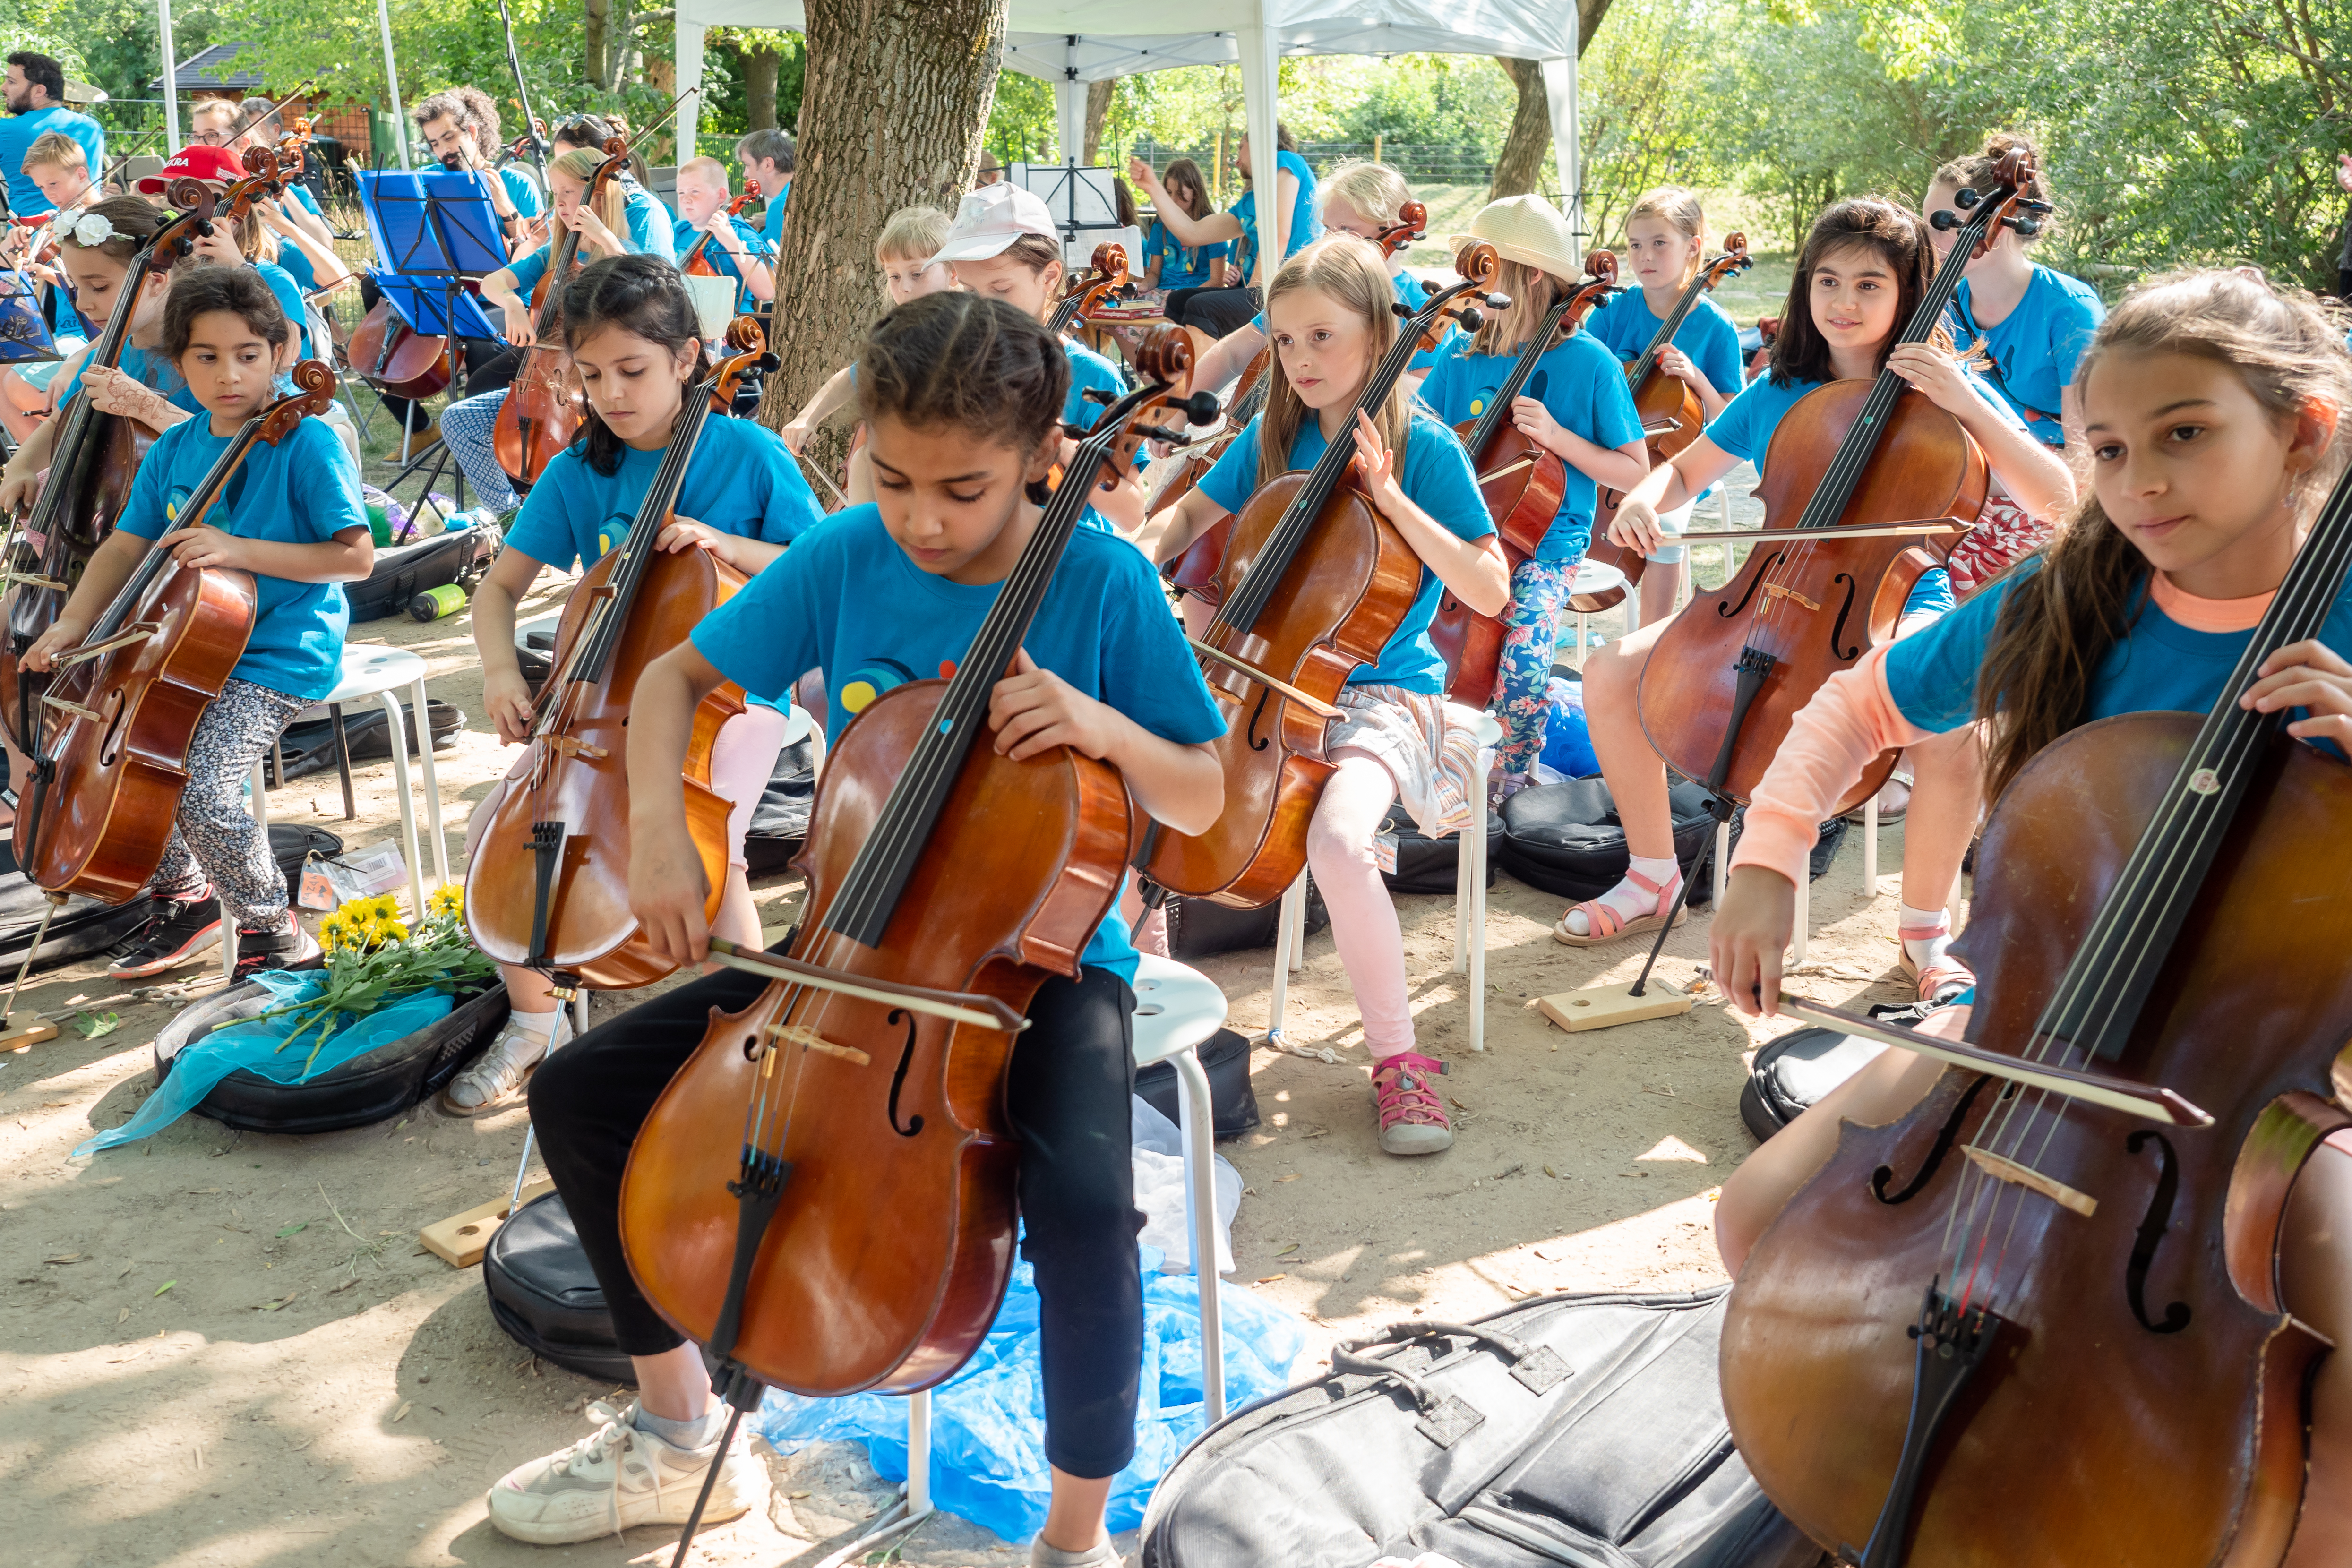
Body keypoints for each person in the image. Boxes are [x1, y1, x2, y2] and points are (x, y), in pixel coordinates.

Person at [478, 290, 1224, 1564]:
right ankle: (678, 1436)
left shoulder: (1102, 578)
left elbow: (1204, 792)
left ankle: (1074, 1534)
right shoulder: (843, 551)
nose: (925, 519)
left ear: (1046, 455)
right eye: (893, 479)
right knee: (587, 1090)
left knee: (1092, 1205)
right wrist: (664, 833)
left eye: (965, 489)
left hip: (1033, 971)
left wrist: (1103, 729)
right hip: (844, 949)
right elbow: (673, 680)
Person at [1706, 269, 2352, 1568]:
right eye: (2106, 448)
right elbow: (1853, 706)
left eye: (2185, 432)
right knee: (1760, 1216)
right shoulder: (2076, 596)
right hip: (2031, 1024)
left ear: (2304, 430)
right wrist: (1769, 855)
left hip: (2260, 1083)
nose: (2138, 480)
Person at [1561, 197, 2075, 967]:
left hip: (1891, 608)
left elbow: (2059, 500)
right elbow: (1682, 473)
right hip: (1764, 598)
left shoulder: (1942, 395)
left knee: (1951, 731)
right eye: (1827, 281)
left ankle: (1922, 933)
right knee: (1608, 672)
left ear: (1907, 291)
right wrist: (1643, 496)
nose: (1843, 301)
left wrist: (1962, 397)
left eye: (1869, 285)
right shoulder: (1778, 389)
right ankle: (1652, 873)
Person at [1151, 235, 1509, 1157]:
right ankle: (1134, 1015)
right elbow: (1193, 512)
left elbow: (1485, 587)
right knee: (1145, 795)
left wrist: (1389, 501)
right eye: (1282, 341)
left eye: (1321, 337)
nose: (1301, 361)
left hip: (1388, 701)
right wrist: (1143, 538)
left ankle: (1398, 1065)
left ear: (1378, 334)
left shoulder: (1419, 445)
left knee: (1343, 844)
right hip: (1265, 691)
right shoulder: (1272, 435)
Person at [446, 255, 823, 1115]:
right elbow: (501, 587)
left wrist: (723, 545)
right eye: (590, 375)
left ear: (689, 359)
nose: (611, 392)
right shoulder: (583, 467)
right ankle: (535, 1021)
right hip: (603, 703)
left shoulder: (749, 455)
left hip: (733, 704)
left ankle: (754, 1021)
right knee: (488, 828)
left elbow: (819, 564)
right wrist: (503, 672)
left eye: (632, 370)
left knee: (712, 852)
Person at [19, 266, 371, 976]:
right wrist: (74, 625)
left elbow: (355, 557)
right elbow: (126, 544)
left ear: (282, 353)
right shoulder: (179, 449)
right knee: (134, 769)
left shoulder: (305, 441)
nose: (228, 374)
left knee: (201, 785)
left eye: (247, 354)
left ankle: (276, 928)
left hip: (277, 654)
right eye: (205, 358)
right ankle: (187, 894)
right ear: (177, 364)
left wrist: (237, 548)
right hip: (178, 647)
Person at [1416, 197, 1649, 804]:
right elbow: (1430, 441)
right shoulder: (1462, 354)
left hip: (1546, 542)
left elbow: (1633, 470)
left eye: (1487, 270)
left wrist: (1558, 438)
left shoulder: (1590, 363)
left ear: (1531, 278)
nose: (1472, 284)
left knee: (1524, 655)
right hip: (1464, 535)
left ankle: (1516, 764)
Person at [1931, 132, 2106, 596]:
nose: (1927, 238)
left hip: (2044, 498)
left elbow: (2087, 459)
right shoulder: (1945, 303)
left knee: (1964, 588)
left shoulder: (2069, 310)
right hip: (1970, 485)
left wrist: (2005, 484)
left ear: (2001, 224)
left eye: (1941, 222)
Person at [441, 146, 662, 512]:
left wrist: (605, 238)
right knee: (459, 420)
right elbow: (494, 283)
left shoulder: (624, 251)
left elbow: (651, 285)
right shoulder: (556, 255)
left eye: (568, 193)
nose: (559, 203)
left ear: (599, 193)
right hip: (548, 384)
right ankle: (512, 517)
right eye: (555, 194)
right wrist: (512, 303)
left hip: (601, 391)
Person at [929, 183, 1149, 532]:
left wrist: (1061, 440)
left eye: (1001, 290)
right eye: (969, 291)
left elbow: (1131, 511)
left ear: (1050, 276)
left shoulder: (1094, 376)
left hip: (1062, 560)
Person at [1586, 186, 1747, 625]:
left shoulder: (1715, 327)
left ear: (1693, 248)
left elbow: (1731, 419)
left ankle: (1649, 640)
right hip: (1609, 453)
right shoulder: (1612, 313)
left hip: (1677, 464)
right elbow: (1581, 386)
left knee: (1667, 528)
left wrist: (1695, 377)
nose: (1645, 257)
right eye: (1636, 245)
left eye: (1660, 244)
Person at [1183, 160, 1436, 403]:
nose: (1330, 240)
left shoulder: (1423, 306)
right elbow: (1233, 353)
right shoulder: (1311, 287)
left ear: (1391, 228)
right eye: (1327, 228)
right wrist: (1181, 405)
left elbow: (1426, 393)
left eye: (1346, 229)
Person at [781, 203, 953, 454]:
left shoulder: (968, 331)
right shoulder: (901, 336)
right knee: (864, 456)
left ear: (954, 272)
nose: (904, 287)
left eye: (917, 274)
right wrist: (807, 418)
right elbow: (855, 376)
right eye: (894, 276)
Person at [1128, 126, 1320, 338]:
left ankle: (1203, 371)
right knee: (1178, 300)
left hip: (1295, 287)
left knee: (1199, 306)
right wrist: (1153, 187)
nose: (1237, 159)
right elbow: (1193, 233)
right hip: (1260, 291)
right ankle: (1179, 370)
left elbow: (1279, 235)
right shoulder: (1249, 203)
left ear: (1258, 144)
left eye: (1240, 147)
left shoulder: (1286, 160)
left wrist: (1252, 296)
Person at [0, 130, 100, 441]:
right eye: (42, 187)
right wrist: (9, 252)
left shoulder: (103, 222)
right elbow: (13, 270)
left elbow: (100, 284)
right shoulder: (57, 221)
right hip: (64, 332)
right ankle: (41, 469)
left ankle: (60, 454)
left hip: (92, 333)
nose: (49, 195)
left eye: (54, 184)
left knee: (17, 383)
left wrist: (45, 272)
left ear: (82, 174)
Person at [414, 86, 543, 255]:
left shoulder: (521, 185)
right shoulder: (422, 180)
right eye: (435, 144)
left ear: (472, 132)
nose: (444, 149)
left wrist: (505, 207)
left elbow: (539, 257)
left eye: (449, 138)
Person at [550, 118, 675, 259]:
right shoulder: (565, 207)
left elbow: (658, 278)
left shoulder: (645, 212)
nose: (562, 169)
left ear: (605, 159)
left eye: (574, 160)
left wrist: (607, 241)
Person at [0, 52, 103, 216]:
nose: (3, 88)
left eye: (11, 82)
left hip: (29, 235)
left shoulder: (5, 130)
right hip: (88, 226)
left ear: (39, 91)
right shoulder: (93, 127)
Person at [671, 156, 774, 309]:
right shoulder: (677, 231)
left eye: (695, 191)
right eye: (681, 193)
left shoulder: (742, 235)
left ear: (720, 195)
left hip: (732, 327)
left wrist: (730, 240)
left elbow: (767, 292)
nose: (686, 199)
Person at [1136, 157, 1226, 300]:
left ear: (1196, 193)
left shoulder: (1212, 225)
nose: (1172, 200)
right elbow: (1154, 273)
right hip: (1163, 292)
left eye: (1180, 194)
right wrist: (1144, 285)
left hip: (1198, 295)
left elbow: (1217, 281)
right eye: (1169, 193)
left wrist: (1184, 298)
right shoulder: (1160, 225)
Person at [734, 129, 795, 249]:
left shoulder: (781, 205)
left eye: (747, 165)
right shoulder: (791, 194)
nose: (745, 174)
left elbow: (772, 265)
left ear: (768, 164)